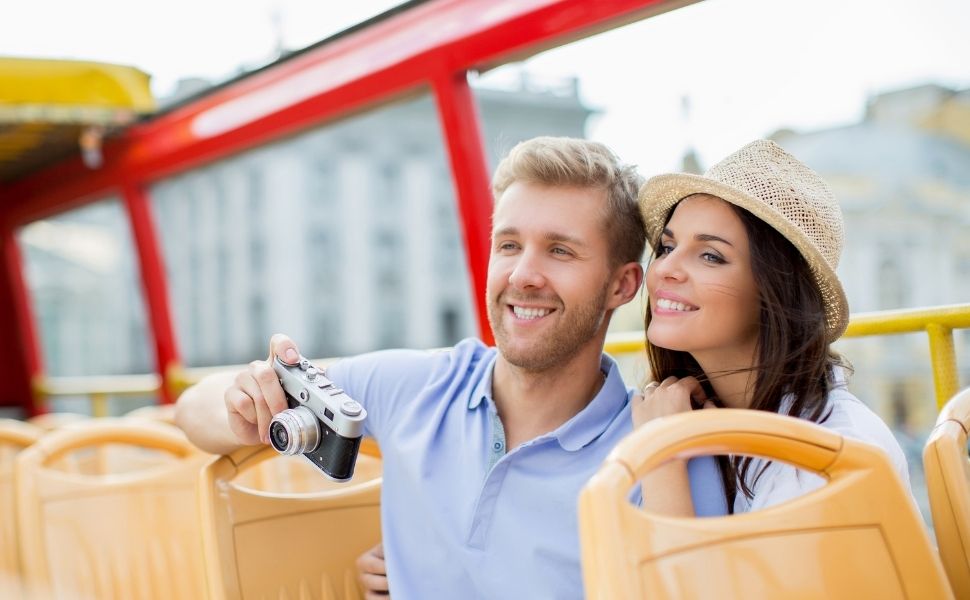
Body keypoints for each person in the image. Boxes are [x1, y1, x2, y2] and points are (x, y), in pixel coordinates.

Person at [175, 136, 727, 599]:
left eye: (560, 251)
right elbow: (193, 412)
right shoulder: (417, 385)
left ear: (622, 285)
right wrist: (246, 401)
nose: (523, 275)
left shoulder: (662, 454)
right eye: (508, 245)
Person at [631, 139, 911, 515]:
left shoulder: (826, 454)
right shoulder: (708, 419)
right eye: (666, 248)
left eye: (711, 256)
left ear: (775, 293)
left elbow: (681, 577)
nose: (664, 268)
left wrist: (659, 451)